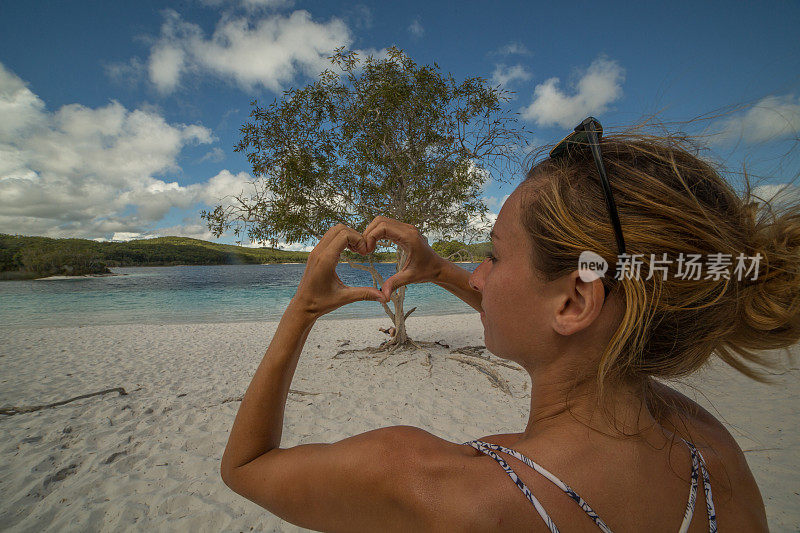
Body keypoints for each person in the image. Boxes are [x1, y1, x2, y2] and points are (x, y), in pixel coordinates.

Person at [220, 118, 799, 531]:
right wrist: (438, 270)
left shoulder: (443, 491)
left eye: (493, 254)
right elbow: (585, 343)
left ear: (575, 301)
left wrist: (303, 310)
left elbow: (247, 467)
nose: (478, 276)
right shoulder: (712, 454)